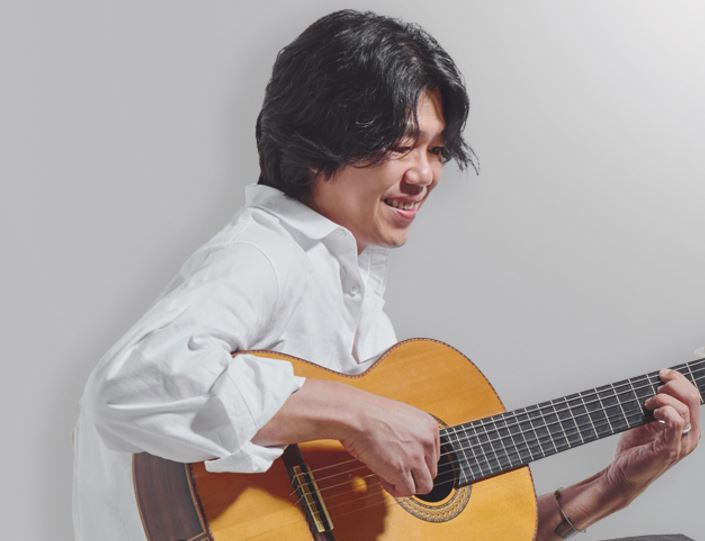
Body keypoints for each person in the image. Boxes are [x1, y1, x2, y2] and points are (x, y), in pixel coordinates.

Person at [72, 9, 701, 541]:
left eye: (436, 149)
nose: (425, 174)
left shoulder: (355, 298)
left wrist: (609, 489)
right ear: (321, 141)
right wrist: (357, 415)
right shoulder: (264, 255)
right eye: (402, 145)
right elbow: (125, 388)